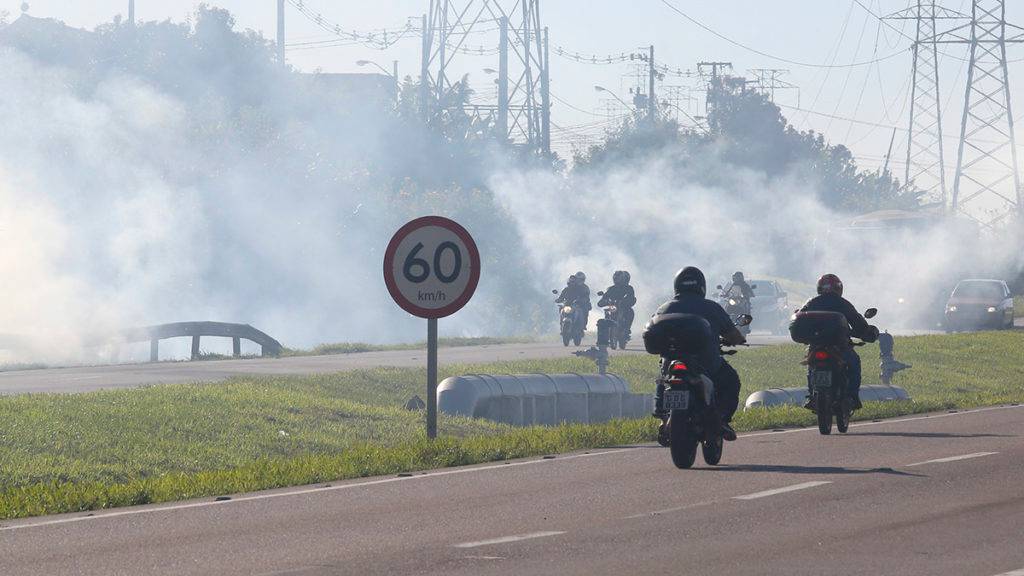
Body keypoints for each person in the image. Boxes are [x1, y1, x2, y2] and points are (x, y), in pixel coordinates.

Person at [650, 266, 746, 441]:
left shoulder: (663, 308)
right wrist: (738, 340)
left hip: (671, 361)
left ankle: (663, 418)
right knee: (731, 380)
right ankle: (722, 419)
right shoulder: (711, 307)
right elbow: (732, 334)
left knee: (662, 378)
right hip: (705, 362)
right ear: (702, 286)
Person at [798, 273, 879, 410]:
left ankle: (812, 396)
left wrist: (805, 335)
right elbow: (857, 321)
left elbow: (799, 319)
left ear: (819, 288)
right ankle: (853, 396)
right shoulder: (843, 303)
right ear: (838, 288)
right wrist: (867, 332)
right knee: (854, 363)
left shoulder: (812, 302)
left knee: (812, 367)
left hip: (817, 345)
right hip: (839, 346)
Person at [597, 270, 637, 341]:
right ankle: (606, 331)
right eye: (615, 279)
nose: (616, 280)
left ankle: (626, 330)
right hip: (613, 307)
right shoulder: (612, 289)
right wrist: (603, 301)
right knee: (607, 313)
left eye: (618, 279)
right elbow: (605, 297)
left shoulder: (629, 288)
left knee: (630, 312)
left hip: (623, 307)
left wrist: (625, 301)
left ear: (623, 279)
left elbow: (631, 297)